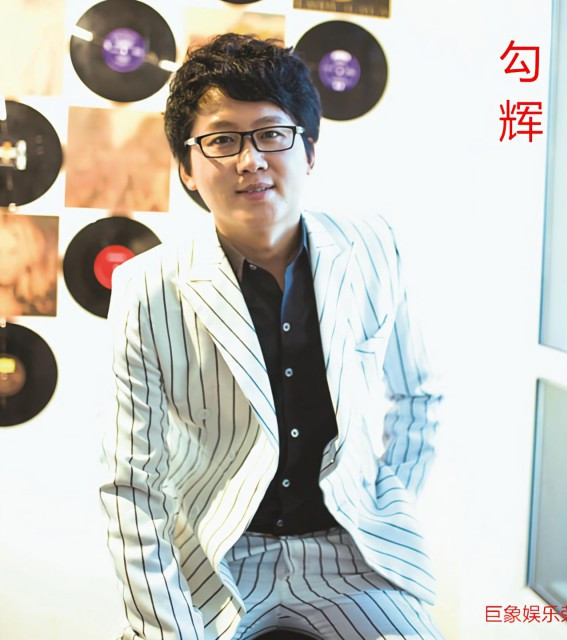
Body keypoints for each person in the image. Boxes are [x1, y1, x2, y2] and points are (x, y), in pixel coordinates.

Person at [100, 33, 443, 640]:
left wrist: (388, 507)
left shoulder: (374, 248)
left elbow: (419, 398)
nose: (250, 160)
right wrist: (163, 624)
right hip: (215, 556)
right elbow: (132, 481)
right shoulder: (145, 286)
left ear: (308, 151)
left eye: (271, 134)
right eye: (222, 140)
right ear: (187, 168)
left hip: (350, 556)